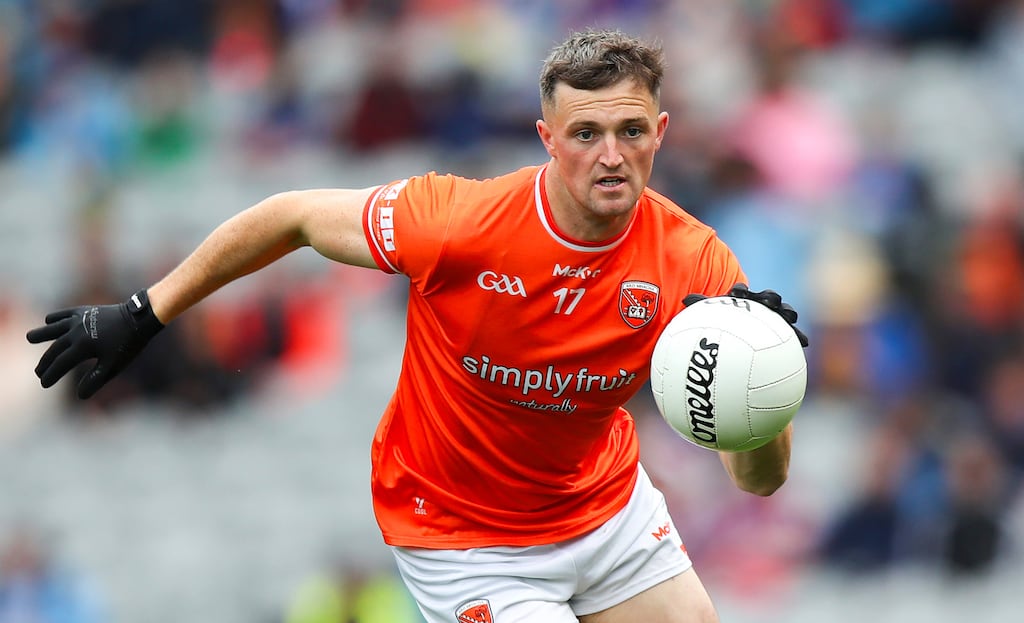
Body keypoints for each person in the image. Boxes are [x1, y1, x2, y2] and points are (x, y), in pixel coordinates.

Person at [27, 29, 808, 623]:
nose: (611, 156)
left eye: (631, 131)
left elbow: (761, 479)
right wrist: (145, 311)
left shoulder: (698, 266)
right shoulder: (458, 224)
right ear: (547, 140)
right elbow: (292, 215)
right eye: (585, 134)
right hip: (463, 537)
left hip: (605, 511)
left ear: (660, 134)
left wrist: (762, 385)